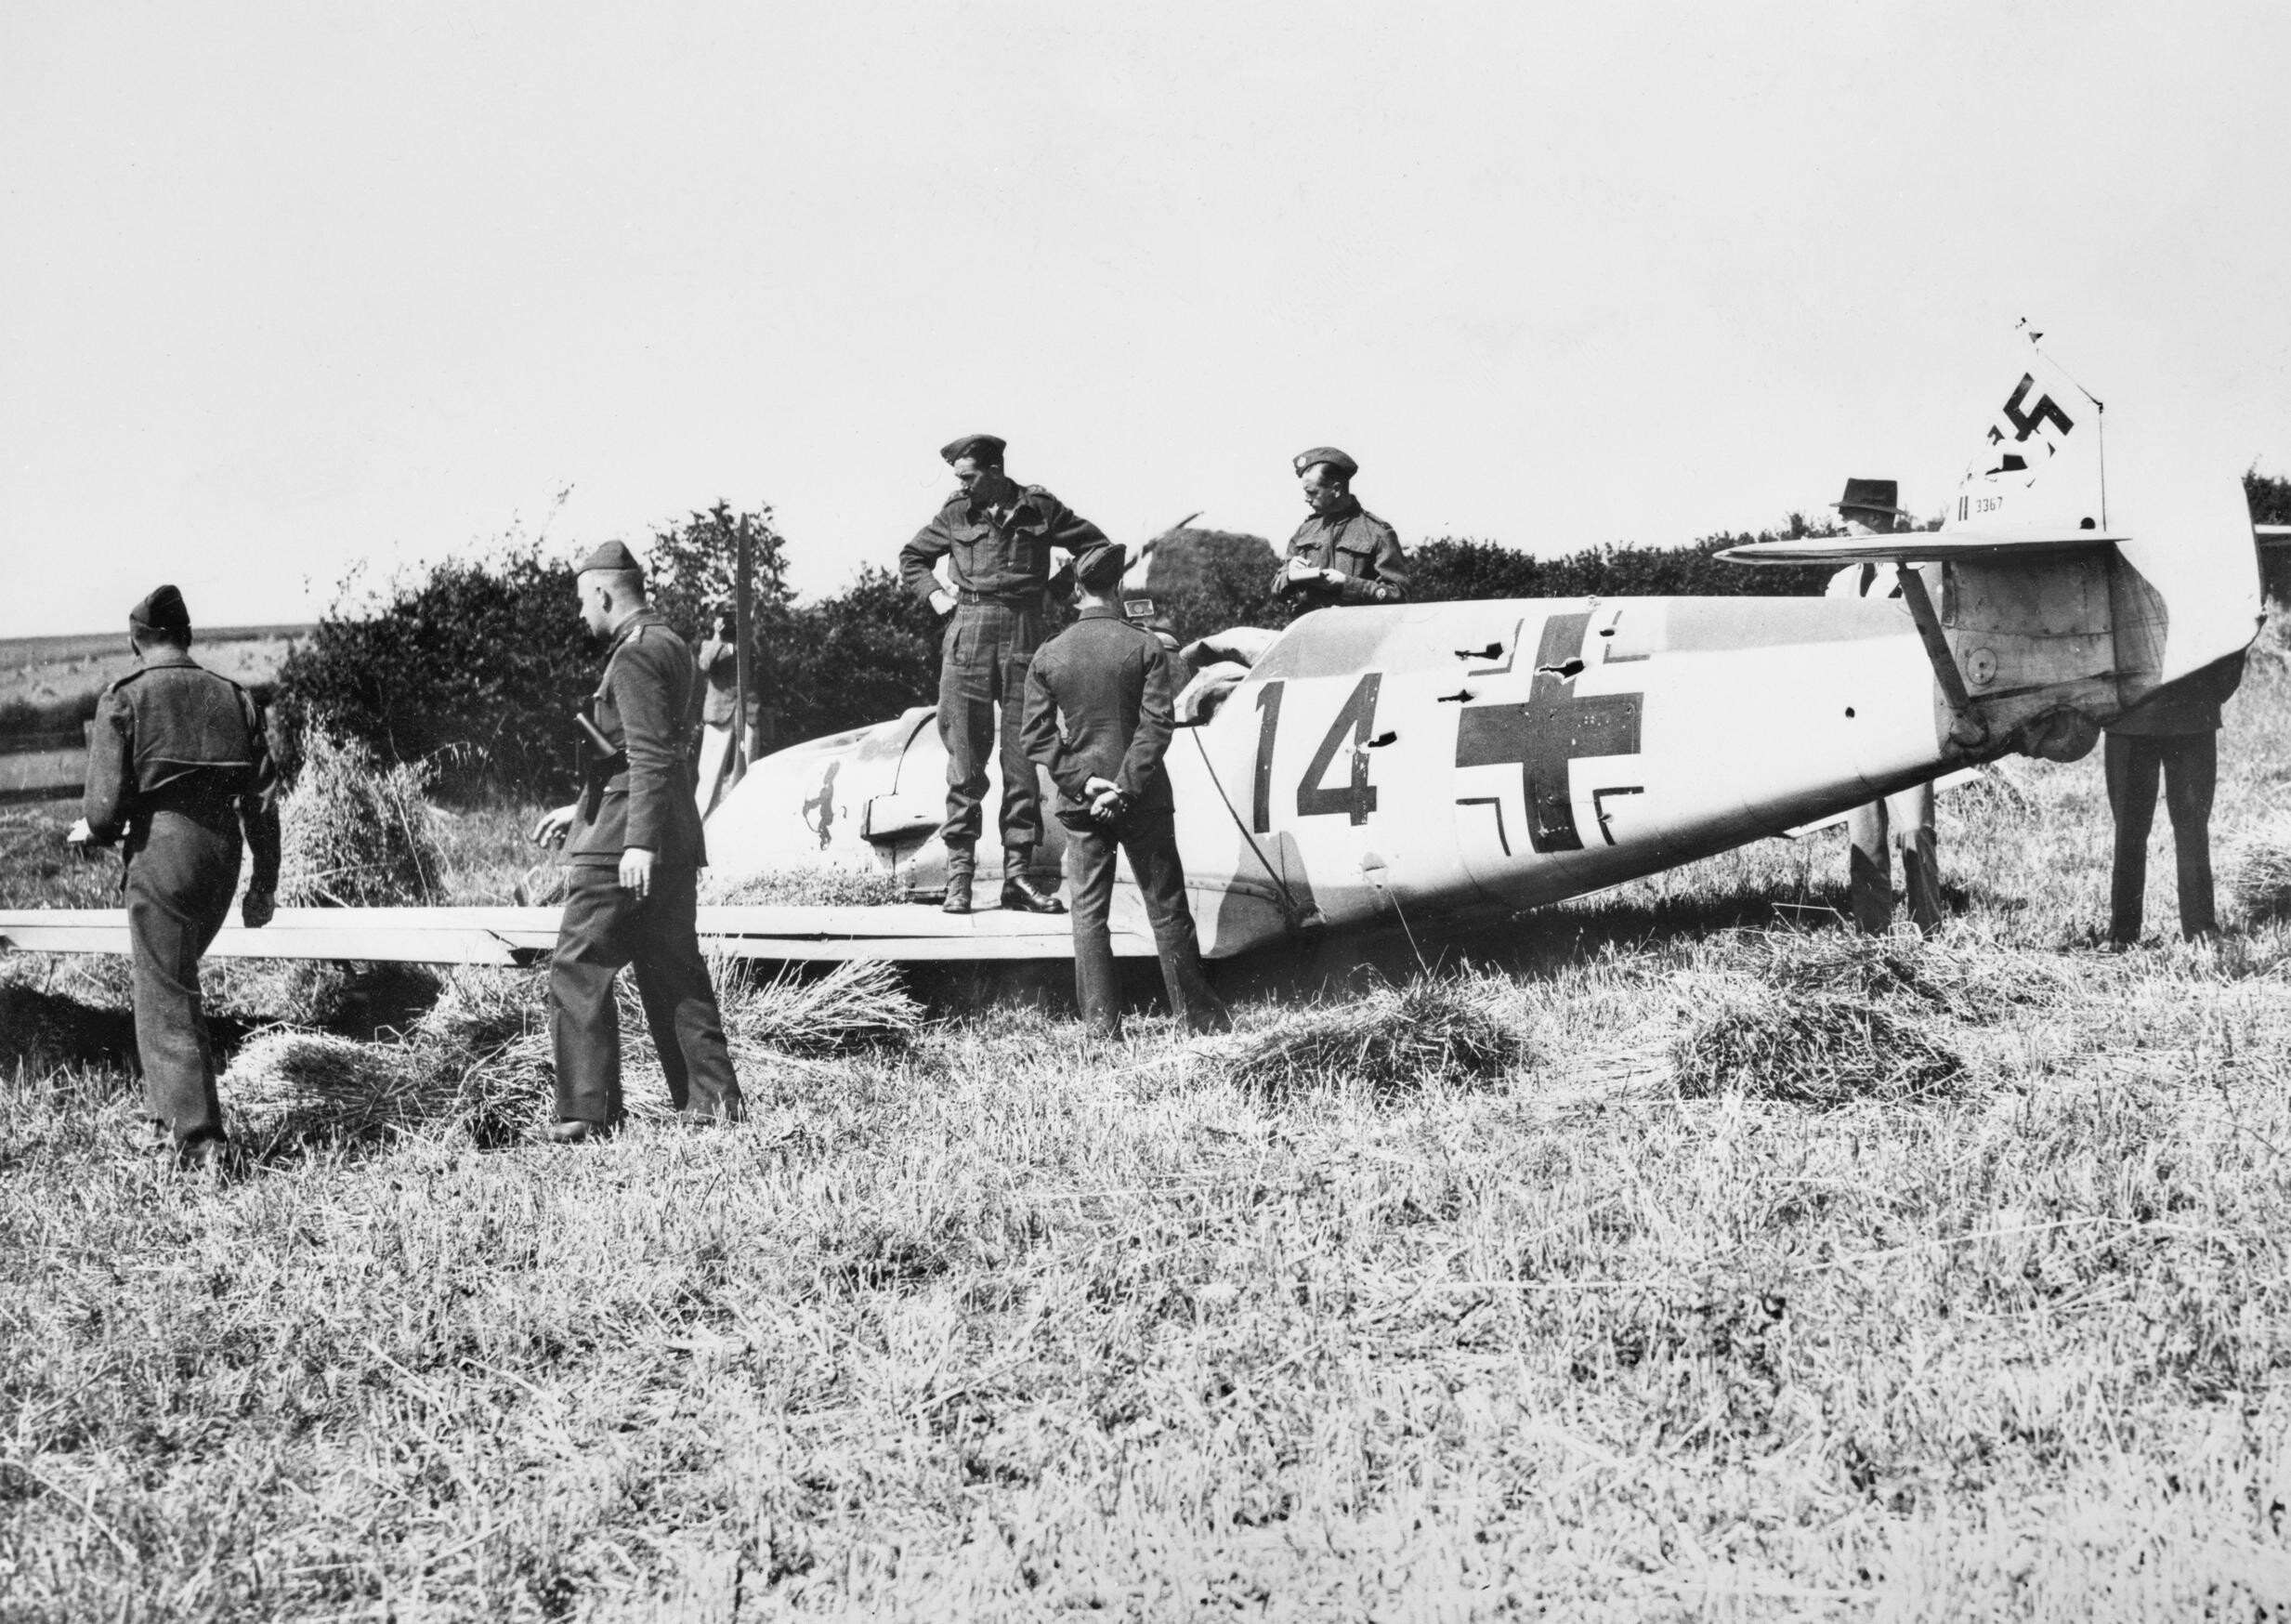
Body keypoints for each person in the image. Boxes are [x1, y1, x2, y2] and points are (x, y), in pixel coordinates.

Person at [531, 542, 742, 1141]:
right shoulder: (672, 645)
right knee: (672, 968)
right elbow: (642, 752)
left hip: (626, 842)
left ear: (603, 593)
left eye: (583, 602)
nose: (581, 614)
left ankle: (586, 1112)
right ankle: (714, 1103)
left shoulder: (633, 655)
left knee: (578, 966)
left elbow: (647, 754)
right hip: (669, 831)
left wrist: (636, 844)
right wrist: (581, 808)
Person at [66, 585, 279, 1170]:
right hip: (223, 857)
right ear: (186, 636)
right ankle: (168, 1119)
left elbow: (103, 813)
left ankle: (200, 1143)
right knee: (174, 981)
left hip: (164, 855)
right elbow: (263, 802)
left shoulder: (125, 696)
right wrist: (264, 883)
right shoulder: (234, 696)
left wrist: (97, 831)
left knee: (166, 994)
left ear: (136, 640)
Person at [1020, 539, 1232, 1041]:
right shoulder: (1146, 646)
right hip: (1143, 799)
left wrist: (1083, 782)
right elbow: (1157, 725)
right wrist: (1123, 787)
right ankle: (1199, 1020)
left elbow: (1035, 736)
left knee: (1088, 915)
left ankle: (1100, 1027)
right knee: (1167, 909)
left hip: (1080, 805)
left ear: (1077, 589)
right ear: (1118, 586)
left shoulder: (1049, 653)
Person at [899, 433, 1105, 915]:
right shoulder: (956, 513)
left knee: (1023, 761)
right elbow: (912, 557)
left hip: (1025, 633)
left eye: (969, 477)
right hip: (968, 633)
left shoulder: (1040, 509)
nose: (963, 486)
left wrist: (1057, 589)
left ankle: (1018, 878)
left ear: (995, 471)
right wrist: (935, 595)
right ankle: (959, 879)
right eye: (959, 479)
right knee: (965, 763)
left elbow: (1095, 545)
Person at [1823, 478, 1944, 936]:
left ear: (1876, 519)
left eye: (1850, 515)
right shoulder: (1840, 582)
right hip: (1857, 722)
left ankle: (1928, 933)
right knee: (1865, 836)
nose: (1842, 524)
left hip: (1905, 722)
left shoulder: (1920, 572)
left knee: (1915, 831)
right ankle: (1872, 938)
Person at [2103, 652, 2245, 947]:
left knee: (2191, 828)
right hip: (2132, 718)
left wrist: (2211, 694)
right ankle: (2122, 934)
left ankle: (2201, 931)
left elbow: (2237, 634)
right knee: (2130, 829)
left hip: (2189, 716)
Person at [1270, 446, 1409, 613]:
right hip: (1308, 627)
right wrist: (1289, 576)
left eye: (1312, 492)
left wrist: (1346, 584)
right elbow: (1275, 587)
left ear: (1336, 490)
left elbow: (1399, 594)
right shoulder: (1304, 531)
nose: (1306, 499)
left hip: (1356, 627)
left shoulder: (1377, 532)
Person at [694, 613, 740, 817]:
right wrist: (716, 636)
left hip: (743, 714)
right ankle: (700, 820)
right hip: (719, 714)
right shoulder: (709, 645)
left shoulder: (741, 646)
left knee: (739, 772)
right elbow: (704, 664)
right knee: (709, 773)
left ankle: (724, 817)